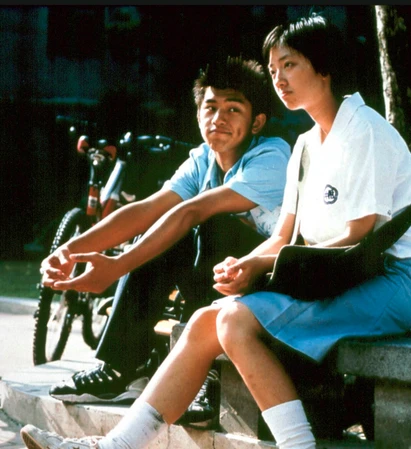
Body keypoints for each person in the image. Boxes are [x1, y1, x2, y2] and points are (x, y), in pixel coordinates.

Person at [21, 13, 411, 449]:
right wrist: (248, 264)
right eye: (273, 69)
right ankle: (113, 446)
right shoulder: (306, 145)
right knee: (207, 319)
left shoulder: (364, 131)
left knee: (233, 320)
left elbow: (358, 237)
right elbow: (284, 236)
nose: (279, 79)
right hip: (332, 276)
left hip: (387, 281)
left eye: (289, 65)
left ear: (324, 67)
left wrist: (265, 267)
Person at [39, 56, 291, 415]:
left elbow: (192, 212)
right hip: (229, 278)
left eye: (233, 109)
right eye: (210, 107)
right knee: (165, 229)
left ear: (257, 122)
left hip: (276, 279)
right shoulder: (203, 159)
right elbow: (148, 209)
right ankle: (119, 367)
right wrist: (67, 251)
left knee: (208, 225)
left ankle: (208, 375)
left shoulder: (271, 155)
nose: (219, 118)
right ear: (198, 114)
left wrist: (116, 267)